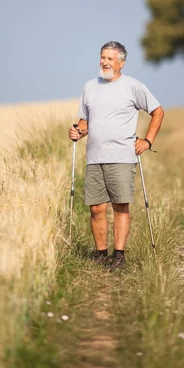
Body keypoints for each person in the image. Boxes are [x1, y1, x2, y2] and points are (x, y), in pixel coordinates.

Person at [68, 41, 164, 271]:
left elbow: (158, 112)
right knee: (96, 208)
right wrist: (78, 132)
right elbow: (85, 122)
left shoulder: (133, 86)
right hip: (94, 157)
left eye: (110, 58)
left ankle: (119, 255)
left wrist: (147, 141)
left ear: (121, 62)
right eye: (103, 57)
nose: (105, 62)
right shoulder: (90, 87)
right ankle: (101, 254)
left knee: (120, 206)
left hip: (122, 156)